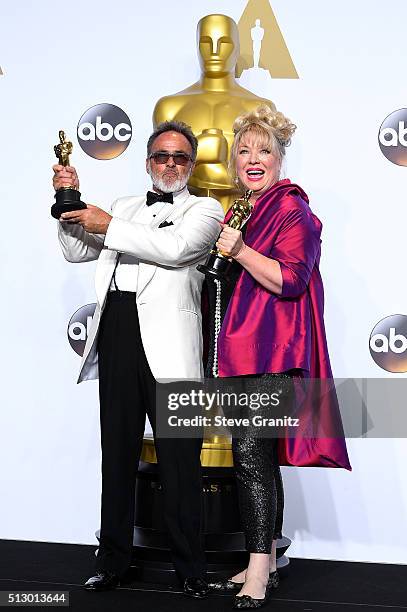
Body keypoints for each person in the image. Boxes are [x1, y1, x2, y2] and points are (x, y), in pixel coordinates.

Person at [53, 120, 224, 598]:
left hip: (173, 344)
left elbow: (175, 250)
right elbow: (75, 251)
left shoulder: (206, 209)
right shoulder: (126, 207)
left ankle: (191, 568)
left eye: (180, 157)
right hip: (119, 334)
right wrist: (70, 205)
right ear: (147, 161)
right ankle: (111, 561)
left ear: (191, 165)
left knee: (181, 463)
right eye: (160, 156)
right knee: (118, 456)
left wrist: (106, 225)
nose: (170, 164)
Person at [206, 105, 351, 609]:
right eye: (243, 150)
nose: (252, 158)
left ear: (280, 157)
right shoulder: (242, 209)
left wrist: (241, 251)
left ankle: (260, 572)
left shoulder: (293, 211)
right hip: (242, 352)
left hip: (273, 354)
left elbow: (292, 280)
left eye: (263, 150)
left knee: (249, 459)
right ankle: (260, 559)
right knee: (259, 461)